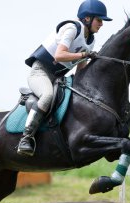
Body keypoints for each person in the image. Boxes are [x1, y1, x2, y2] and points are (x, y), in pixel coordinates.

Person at [17, 0, 113, 156]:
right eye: (99, 20)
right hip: (40, 72)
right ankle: (26, 138)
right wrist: (84, 55)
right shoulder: (72, 28)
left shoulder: (91, 41)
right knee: (47, 96)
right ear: (87, 18)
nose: (102, 24)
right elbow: (59, 55)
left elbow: (81, 69)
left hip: (57, 77)